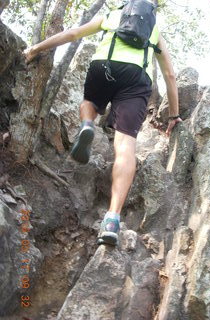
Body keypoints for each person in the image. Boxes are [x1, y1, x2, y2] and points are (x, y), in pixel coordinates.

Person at [24, 1, 182, 246]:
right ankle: (112, 218)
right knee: (125, 146)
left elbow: (73, 33)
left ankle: (88, 123)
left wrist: (36, 48)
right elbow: (170, 75)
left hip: (103, 67)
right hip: (136, 80)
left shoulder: (113, 16)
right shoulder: (154, 30)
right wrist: (173, 115)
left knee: (89, 102)